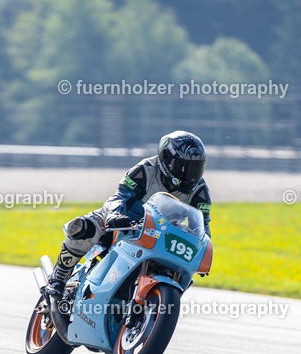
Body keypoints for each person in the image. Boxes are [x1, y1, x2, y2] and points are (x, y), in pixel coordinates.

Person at [45, 130, 212, 312]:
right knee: (83, 228)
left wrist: (201, 251)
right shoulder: (145, 169)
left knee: (184, 273)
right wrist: (116, 215)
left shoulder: (200, 191)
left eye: (196, 168)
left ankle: (152, 306)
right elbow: (121, 196)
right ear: (166, 159)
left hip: (162, 232)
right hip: (126, 219)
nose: (190, 174)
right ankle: (59, 275)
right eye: (183, 166)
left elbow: (202, 225)